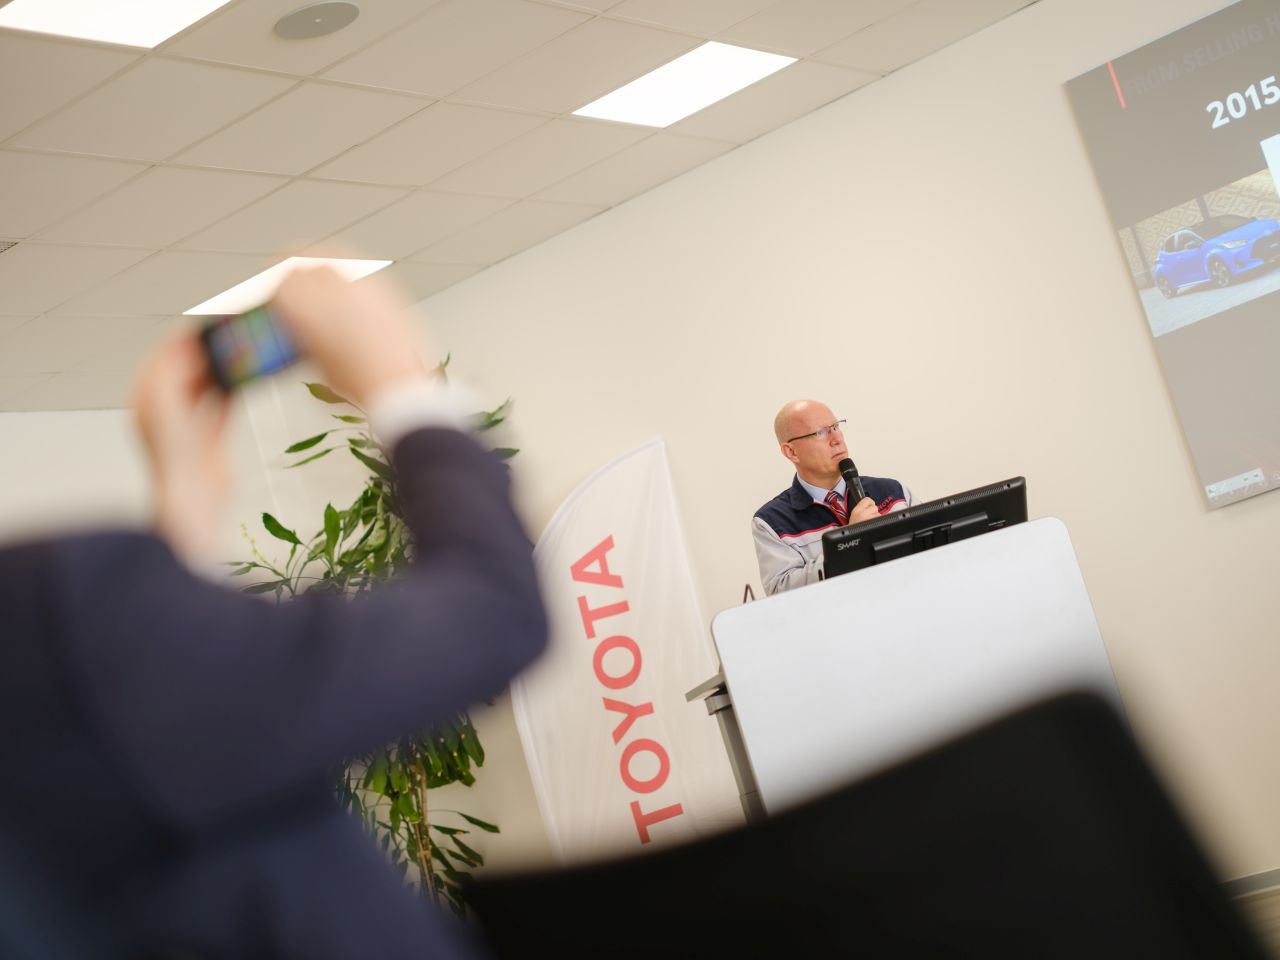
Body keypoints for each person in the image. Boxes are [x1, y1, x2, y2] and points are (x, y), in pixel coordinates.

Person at [0, 267, 547, 958]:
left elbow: (136, 774)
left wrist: (184, 508)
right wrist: (399, 389)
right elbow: (494, 612)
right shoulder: (53, 609)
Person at [752, 399, 911, 595]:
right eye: (820, 432)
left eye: (836, 427)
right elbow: (782, 592)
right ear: (791, 452)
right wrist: (849, 540)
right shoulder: (771, 522)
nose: (836, 439)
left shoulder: (894, 491)